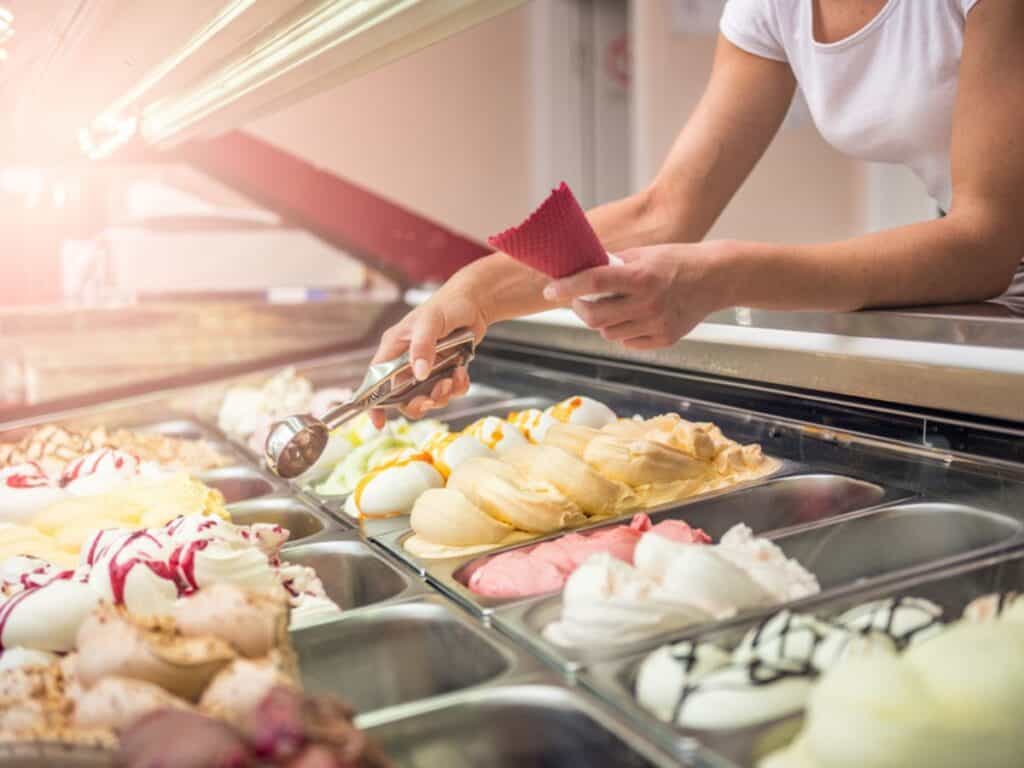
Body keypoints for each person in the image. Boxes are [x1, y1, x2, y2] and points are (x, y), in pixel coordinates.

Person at [370, 0, 1023, 427]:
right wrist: (474, 294)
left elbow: (984, 242)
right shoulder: (773, 7)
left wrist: (723, 275)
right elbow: (667, 209)